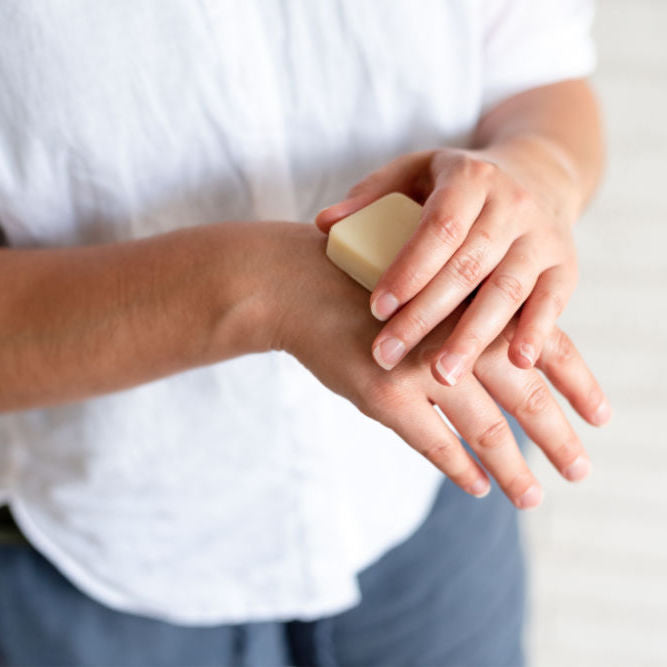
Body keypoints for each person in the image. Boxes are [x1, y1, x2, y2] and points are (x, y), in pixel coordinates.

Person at [0, 1, 610, 665]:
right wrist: (257, 288)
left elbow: (538, 73)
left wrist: (539, 172)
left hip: (434, 487)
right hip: (110, 549)